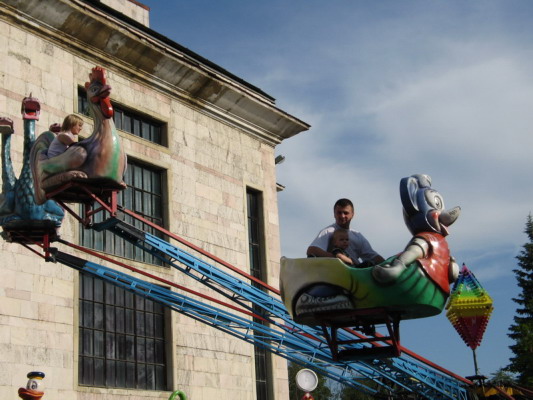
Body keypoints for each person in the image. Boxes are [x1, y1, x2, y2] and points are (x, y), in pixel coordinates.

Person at [307, 198, 384, 267]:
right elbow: (312, 250)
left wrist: (388, 264)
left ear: (352, 214)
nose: (342, 216)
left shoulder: (357, 236)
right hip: (337, 270)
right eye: (339, 213)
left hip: (355, 272)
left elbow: (373, 256)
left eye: (346, 213)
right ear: (334, 214)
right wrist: (336, 258)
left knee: (369, 264)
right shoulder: (329, 231)